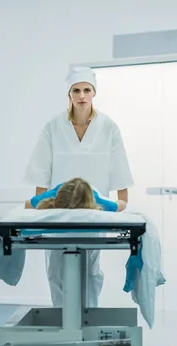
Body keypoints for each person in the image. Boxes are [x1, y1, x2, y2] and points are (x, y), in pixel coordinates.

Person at [22, 65, 134, 308]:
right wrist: (37, 209)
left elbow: (122, 187)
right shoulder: (53, 126)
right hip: (58, 210)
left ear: (94, 93)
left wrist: (113, 205)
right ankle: (62, 318)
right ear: (69, 94)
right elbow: (41, 175)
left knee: (91, 270)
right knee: (55, 271)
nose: (82, 95)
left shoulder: (108, 127)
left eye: (86, 90)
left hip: (93, 213)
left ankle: (87, 316)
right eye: (76, 90)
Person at [25, 177, 127, 212]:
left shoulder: (49, 198)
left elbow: (28, 203)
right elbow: (122, 203)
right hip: (86, 192)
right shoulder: (98, 202)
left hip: (80, 191)